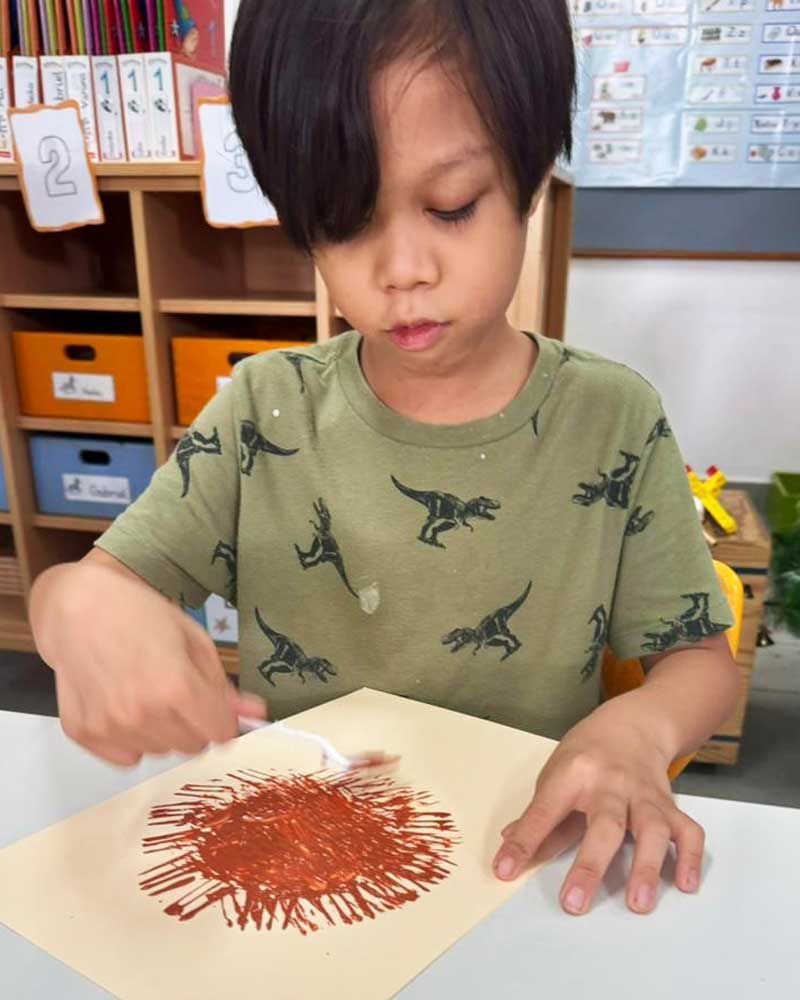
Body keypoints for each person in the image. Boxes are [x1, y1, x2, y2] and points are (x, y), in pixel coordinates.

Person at [30, 0, 739, 919]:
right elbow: (89, 591)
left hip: (520, 863)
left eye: (451, 207)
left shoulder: (613, 420)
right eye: (345, 221)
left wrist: (639, 729)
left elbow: (702, 661)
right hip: (304, 861)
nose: (402, 268)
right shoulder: (265, 411)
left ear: (530, 176)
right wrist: (77, 608)